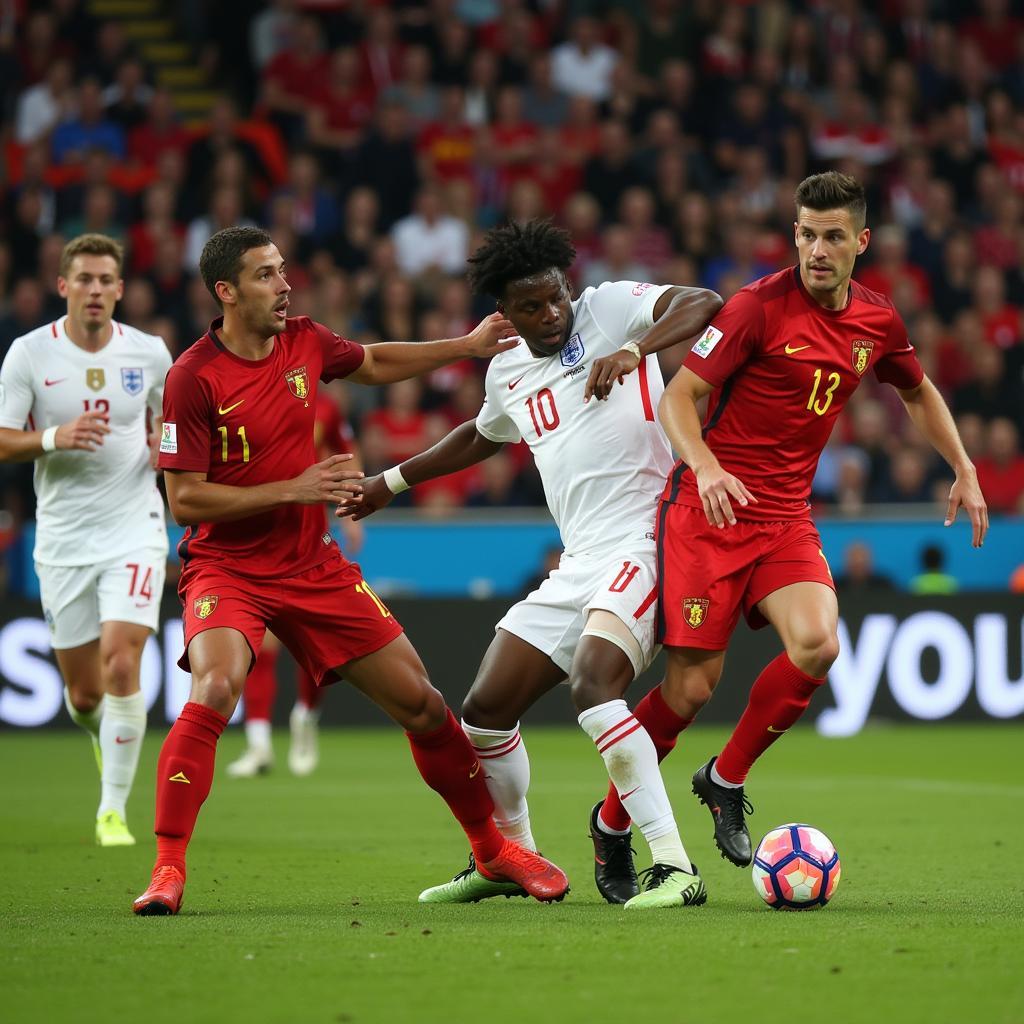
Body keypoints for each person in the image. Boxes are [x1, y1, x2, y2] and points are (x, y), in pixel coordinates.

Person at [132, 226, 568, 916]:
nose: (285, 285)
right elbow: (183, 500)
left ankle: (493, 851)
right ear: (226, 292)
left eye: (282, 270)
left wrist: (463, 346)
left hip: (313, 565)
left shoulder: (304, 340)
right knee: (216, 687)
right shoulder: (192, 377)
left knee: (424, 704)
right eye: (267, 275)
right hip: (229, 568)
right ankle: (166, 869)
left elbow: (372, 362)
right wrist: (294, 489)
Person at [339, 220, 723, 909]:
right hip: (580, 560)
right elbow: (480, 436)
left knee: (594, 685)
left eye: (555, 299)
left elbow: (704, 302)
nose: (550, 315)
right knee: (485, 710)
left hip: (649, 537)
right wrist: (389, 482)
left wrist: (636, 349)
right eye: (531, 306)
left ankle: (674, 866)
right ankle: (512, 857)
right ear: (504, 312)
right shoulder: (508, 366)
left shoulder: (608, 307)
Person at [647, 171, 987, 869]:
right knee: (690, 689)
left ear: (861, 241)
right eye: (806, 234)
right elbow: (679, 398)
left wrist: (964, 465)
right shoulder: (755, 308)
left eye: (833, 236)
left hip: (784, 519)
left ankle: (725, 778)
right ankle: (614, 819)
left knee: (818, 646)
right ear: (795, 235)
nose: (817, 249)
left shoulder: (877, 319)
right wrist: (707, 466)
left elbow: (917, 392)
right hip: (709, 513)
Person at [0, 233, 172, 847]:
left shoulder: (150, 353)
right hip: (64, 539)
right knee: (83, 693)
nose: (96, 290)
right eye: (85, 279)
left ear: (120, 290)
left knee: (123, 659)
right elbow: (1, 438)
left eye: (106, 280)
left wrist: (164, 450)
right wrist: (54, 437)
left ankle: (112, 812)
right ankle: (98, 732)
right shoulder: (29, 355)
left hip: (134, 528)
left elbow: (175, 423)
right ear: (63, 286)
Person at [226, 388, 365, 778]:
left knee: (312, 647)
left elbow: (347, 454)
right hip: (257, 535)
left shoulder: (324, 405)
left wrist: (351, 511)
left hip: (306, 537)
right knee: (261, 646)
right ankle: (259, 745)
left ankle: (305, 716)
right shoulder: (244, 397)